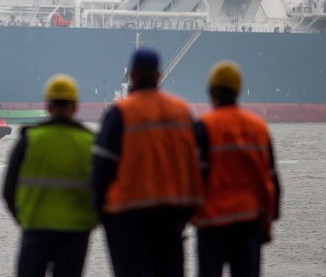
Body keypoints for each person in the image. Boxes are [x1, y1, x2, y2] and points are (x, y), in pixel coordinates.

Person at [92, 48, 203, 277]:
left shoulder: (119, 113)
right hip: (170, 216)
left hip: (127, 218)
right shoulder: (181, 111)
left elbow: (101, 169)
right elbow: (195, 165)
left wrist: (100, 213)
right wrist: (188, 212)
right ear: (159, 75)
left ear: (131, 75)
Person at [2, 74, 97, 277]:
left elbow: (8, 190)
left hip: (35, 230)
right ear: (75, 106)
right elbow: (104, 190)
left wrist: (23, 219)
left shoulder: (29, 140)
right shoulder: (90, 143)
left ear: (48, 106)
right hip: (75, 234)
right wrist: (89, 223)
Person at [192, 61, 281, 277]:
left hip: (211, 224)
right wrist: (270, 218)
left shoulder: (204, 126)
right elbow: (270, 178)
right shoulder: (258, 127)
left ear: (211, 92)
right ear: (238, 91)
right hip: (249, 223)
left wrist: (186, 216)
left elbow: (193, 178)